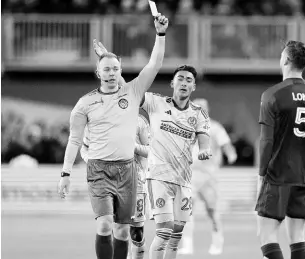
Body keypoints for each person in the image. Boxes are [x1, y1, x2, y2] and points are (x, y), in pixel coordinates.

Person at [57, 14, 169, 259]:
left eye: (115, 69)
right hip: (98, 170)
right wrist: (65, 173)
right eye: (105, 69)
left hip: (127, 170)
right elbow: (74, 141)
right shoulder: (84, 104)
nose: (110, 73)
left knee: (121, 230)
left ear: (120, 72)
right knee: (105, 224)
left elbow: (155, 64)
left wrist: (160, 35)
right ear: (98, 73)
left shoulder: (133, 91)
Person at [255, 40, 305, 259]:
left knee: (266, 235)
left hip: (277, 174)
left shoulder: (272, 94)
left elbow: (266, 141)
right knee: (297, 236)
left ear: (285, 59)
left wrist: (261, 175)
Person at [141, 65, 211, 259]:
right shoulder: (155, 102)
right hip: (158, 177)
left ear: (194, 87)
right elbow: (134, 90)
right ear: (173, 83)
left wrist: (205, 150)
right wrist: (113, 71)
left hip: (184, 180)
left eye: (189, 80)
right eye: (180, 78)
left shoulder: (199, 114)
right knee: (164, 231)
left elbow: (204, 140)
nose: (184, 82)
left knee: (176, 235)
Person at [80, 108, 151, 259]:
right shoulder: (96, 121)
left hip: (135, 181)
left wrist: (133, 147)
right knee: (109, 225)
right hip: (105, 180)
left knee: (136, 233)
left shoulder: (139, 122)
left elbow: (152, 151)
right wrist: (94, 163)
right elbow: (85, 149)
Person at [178, 98, 237, 255]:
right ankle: (188, 244)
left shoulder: (216, 128)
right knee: (186, 211)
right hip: (189, 176)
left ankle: (218, 241)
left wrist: (231, 154)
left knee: (212, 211)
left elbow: (226, 145)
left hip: (209, 178)